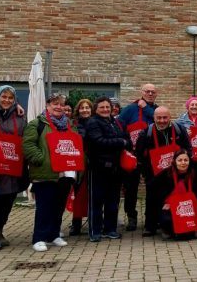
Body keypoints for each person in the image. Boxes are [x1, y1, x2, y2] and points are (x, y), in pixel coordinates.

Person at [23, 93, 80, 252]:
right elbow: (28, 145)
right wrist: (42, 159)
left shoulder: (69, 124)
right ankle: (39, 238)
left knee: (58, 206)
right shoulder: (37, 123)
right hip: (45, 172)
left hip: (66, 173)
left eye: (61, 104)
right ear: (48, 105)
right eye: (55, 104)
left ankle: (53, 234)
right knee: (44, 206)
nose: (58, 107)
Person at [135, 106, 191, 236]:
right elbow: (139, 153)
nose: (162, 120)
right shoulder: (146, 133)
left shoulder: (178, 130)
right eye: (158, 118)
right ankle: (150, 226)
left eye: (165, 117)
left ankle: (175, 223)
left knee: (174, 197)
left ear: (169, 117)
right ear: (153, 118)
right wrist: (145, 172)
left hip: (175, 173)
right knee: (152, 199)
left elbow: (188, 148)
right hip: (154, 173)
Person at [85, 97, 131, 242]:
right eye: (102, 107)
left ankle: (110, 229)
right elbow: (99, 142)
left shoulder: (116, 122)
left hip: (116, 168)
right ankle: (95, 231)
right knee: (96, 202)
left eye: (107, 107)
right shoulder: (92, 122)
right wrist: (120, 142)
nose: (105, 110)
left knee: (113, 201)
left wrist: (124, 141)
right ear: (96, 109)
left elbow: (127, 139)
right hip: (98, 168)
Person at [118, 83, 159, 231]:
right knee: (131, 189)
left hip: (151, 157)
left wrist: (146, 109)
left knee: (153, 188)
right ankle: (132, 217)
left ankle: (153, 217)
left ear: (156, 94)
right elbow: (119, 126)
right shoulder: (130, 109)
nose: (150, 93)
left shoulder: (156, 110)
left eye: (152, 92)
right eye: (147, 91)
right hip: (133, 156)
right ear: (141, 92)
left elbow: (159, 121)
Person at [0, 85, 27, 249]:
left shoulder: (20, 117)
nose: (6, 100)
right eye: (3, 97)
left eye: (10, 98)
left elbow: (24, 138)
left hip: (11, 166)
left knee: (7, 200)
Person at [153, 149, 197, 240]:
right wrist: (168, 203)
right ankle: (166, 230)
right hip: (170, 207)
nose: (183, 163)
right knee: (167, 220)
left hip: (189, 207)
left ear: (189, 161)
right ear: (174, 161)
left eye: (186, 160)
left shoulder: (194, 173)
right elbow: (158, 193)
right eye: (180, 160)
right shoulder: (166, 174)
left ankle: (194, 228)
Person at [68, 98, 93, 236]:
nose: (85, 110)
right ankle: (76, 224)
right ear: (78, 110)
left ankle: (93, 222)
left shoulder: (97, 122)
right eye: (82, 108)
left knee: (92, 195)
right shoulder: (73, 124)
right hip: (78, 163)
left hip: (94, 162)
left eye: (87, 108)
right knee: (78, 193)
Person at [175, 96, 197, 163]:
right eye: (192, 105)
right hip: (186, 154)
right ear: (188, 107)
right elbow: (175, 138)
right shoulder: (179, 122)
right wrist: (184, 134)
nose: (194, 107)